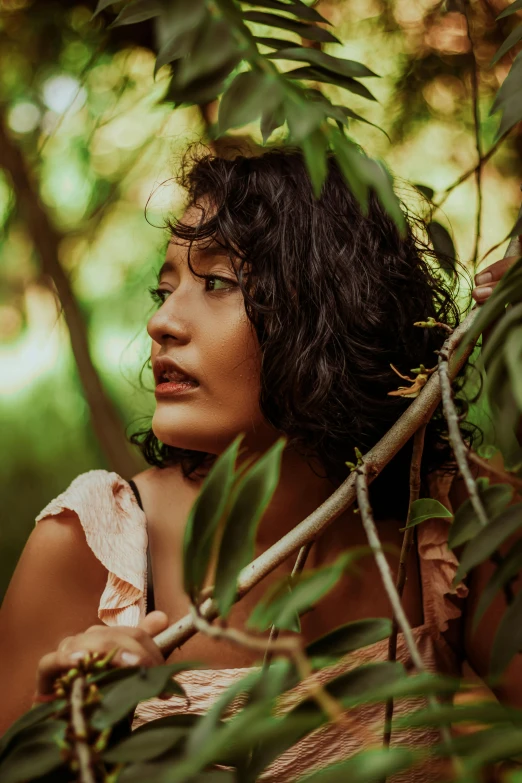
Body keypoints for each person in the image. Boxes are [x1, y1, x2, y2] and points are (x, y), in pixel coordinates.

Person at [0, 149, 519, 781]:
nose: (161, 322)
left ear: (333, 309)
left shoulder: (446, 530)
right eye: (164, 291)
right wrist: (59, 738)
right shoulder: (91, 548)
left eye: (216, 283)